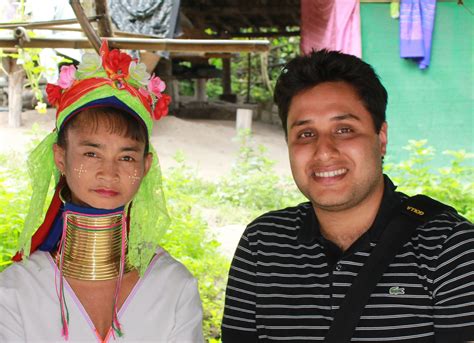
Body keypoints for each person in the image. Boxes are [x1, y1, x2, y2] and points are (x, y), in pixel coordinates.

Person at [221, 50, 474, 342]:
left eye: (344, 129)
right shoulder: (262, 244)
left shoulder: (450, 248)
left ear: (381, 138)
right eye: (305, 134)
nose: (324, 151)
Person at [0, 41, 204, 342]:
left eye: (126, 157)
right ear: (60, 158)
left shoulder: (174, 287)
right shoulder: (16, 291)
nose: (109, 173)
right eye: (91, 154)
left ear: (145, 166)